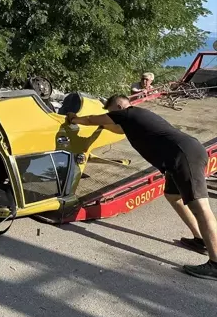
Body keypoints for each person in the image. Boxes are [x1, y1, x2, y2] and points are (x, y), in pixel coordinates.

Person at [66, 94, 217, 280]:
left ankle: (215, 263)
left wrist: (73, 118)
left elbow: (90, 119)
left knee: (201, 208)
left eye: (111, 112)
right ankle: (200, 240)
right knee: (172, 196)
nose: (111, 116)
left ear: (120, 106)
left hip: (183, 155)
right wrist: (103, 126)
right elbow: (117, 130)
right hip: (178, 157)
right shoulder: (136, 118)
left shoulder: (128, 113)